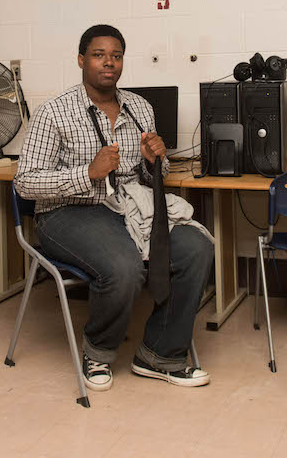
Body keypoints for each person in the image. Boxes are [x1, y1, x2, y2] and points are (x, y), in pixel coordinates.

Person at [14, 25, 214, 392]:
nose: (109, 63)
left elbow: (156, 174)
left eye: (116, 55)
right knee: (124, 267)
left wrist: (156, 161)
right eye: (98, 54)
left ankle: (159, 355)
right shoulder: (54, 113)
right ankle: (98, 351)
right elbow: (24, 182)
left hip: (131, 207)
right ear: (81, 60)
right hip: (68, 211)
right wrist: (87, 173)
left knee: (197, 248)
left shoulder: (139, 107)